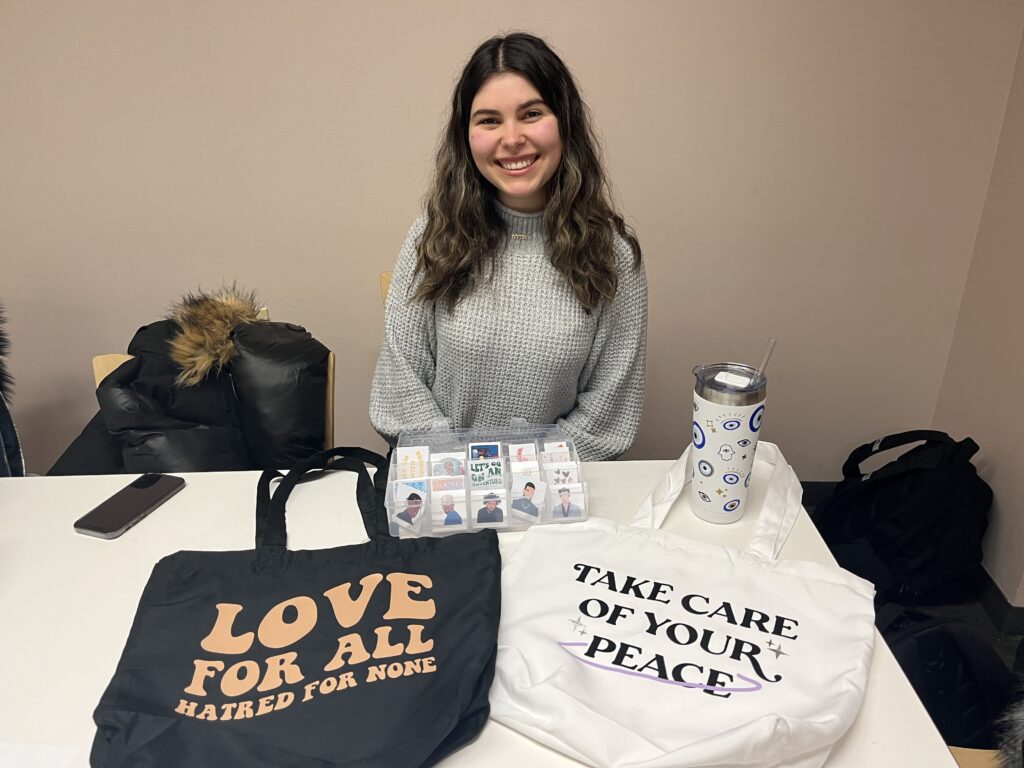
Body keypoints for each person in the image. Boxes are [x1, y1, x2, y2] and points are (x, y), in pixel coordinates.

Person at [369, 33, 647, 462]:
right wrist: (469, 480)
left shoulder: (614, 256)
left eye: (531, 114)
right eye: (489, 120)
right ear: (466, 136)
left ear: (565, 122)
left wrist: (523, 482)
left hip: (556, 496)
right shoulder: (434, 234)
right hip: (444, 492)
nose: (512, 138)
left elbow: (607, 418)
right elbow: (399, 390)